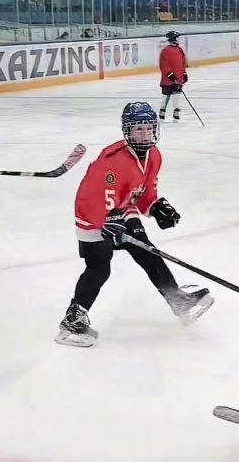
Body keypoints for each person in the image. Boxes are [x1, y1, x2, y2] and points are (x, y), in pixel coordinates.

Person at [56, 101, 214, 346]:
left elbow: (143, 192)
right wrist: (105, 222)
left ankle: (178, 301)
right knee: (99, 268)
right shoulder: (111, 162)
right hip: (92, 217)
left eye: (148, 128)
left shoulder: (154, 156)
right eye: (138, 129)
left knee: (149, 252)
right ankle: (71, 322)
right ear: (127, 131)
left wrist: (155, 208)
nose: (144, 134)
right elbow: (92, 196)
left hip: (122, 210)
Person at [158, 31, 187, 122]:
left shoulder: (180, 50)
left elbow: (182, 63)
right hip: (168, 79)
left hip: (178, 78)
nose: (179, 40)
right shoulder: (165, 51)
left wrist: (184, 73)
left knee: (176, 96)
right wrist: (170, 75)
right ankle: (162, 111)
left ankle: (176, 112)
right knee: (166, 96)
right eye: (177, 38)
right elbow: (164, 65)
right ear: (173, 39)